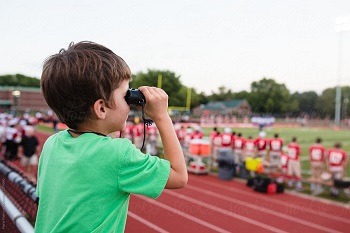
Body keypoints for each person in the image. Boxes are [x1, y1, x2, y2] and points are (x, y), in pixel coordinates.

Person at [35, 41, 188, 232]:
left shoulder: (52, 144)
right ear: (101, 108)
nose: (130, 103)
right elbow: (179, 176)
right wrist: (162, 116)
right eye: (126, 96)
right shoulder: (117, 153)